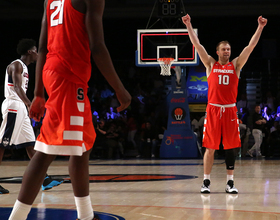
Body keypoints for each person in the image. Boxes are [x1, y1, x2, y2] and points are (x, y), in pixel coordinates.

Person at [8, 0, 131, 220]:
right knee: (47, 149)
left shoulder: (50, 0)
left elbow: (43, 47)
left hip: (56, 72)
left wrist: (38, 93)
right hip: (69, 75)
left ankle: (85, 215)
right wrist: (119, 88)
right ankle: (17, 217)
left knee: (82, 146)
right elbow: (97, 46)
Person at [182, 14, 267, 194]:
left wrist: (260, 27)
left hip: (229, 111)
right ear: (217, 51)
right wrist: (189, 25)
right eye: (224, 49)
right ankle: (206, 182)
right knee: (210, 147)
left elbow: (250, 47)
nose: (227, 51)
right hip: (213, 109)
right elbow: (197, 45)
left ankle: (230, 182)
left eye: (228, 49)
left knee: (231, 147)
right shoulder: (210, 64)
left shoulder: (236, 65)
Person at [0, 39, 63, 195]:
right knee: (2, 144)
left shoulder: (25, 68)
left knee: (31, 144)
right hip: (14, 105)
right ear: (30, 51)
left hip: (20, 106)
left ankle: (44, 179)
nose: (38, 53)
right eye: (36, 50)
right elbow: (15, 87)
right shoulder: (16, 65)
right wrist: (29, 104)